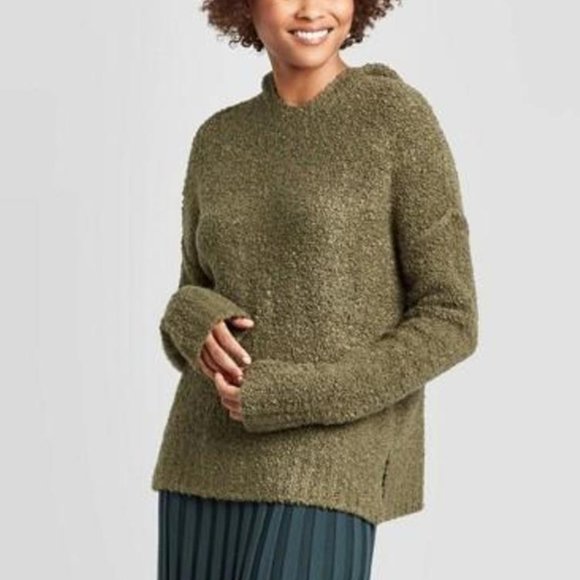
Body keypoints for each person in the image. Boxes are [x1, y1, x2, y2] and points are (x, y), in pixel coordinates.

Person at [152, 0, 479, 578]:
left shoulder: (395, 120)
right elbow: (192, 291)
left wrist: (298, 394)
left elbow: (450, 317)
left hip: (324, 468)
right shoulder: (218, 138)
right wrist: (191, 318)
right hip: (200, 463)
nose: (311, 9)